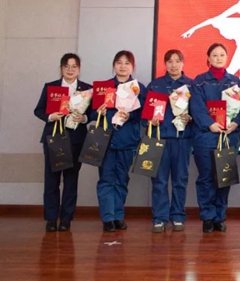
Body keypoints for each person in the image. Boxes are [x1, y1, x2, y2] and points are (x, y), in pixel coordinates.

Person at [189, 43, 240, 233]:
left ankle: (219, 217)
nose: (219, 58)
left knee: (224, 177)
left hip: (229, 137)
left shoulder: (235, 82)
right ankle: (207, 216)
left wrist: (236, 123)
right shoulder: (199, 82)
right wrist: (210, 124)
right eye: (215, 55)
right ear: (208, 58)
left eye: (222, 55)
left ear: (227, 58)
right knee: (206, 178)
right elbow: (196, 107)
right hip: (206, 137)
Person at [33, 53, 92, 232]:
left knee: (71, 180)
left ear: (79, 69)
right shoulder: (51, 87)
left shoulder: (87, 89)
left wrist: (84, 118)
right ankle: (51, 219)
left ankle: (66, 218)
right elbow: (38, 110)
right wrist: (51, 116)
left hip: (76, 140)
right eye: (66, 66)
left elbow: (94, 113)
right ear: (61, 68)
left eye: (74, 67)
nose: (70, 70)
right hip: (54, 138)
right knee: (51, 180)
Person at [92, 50, 147, 232]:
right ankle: (107, 218)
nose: (123, 66)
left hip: (127, 140)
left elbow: (144, 114)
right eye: (119, 62)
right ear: (114, 65)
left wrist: (130, 115)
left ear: (132, 66)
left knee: (122, 179)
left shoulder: (138, 88)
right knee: (106, 179)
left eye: (127, 63)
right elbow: (91, 113)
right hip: (105, 140)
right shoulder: (104, 87)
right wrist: (98, 112)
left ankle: (118, 216)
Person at [145, 49, 194, 233]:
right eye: (170, 61)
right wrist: (149, 120)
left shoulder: (191, 85)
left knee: (180, 180)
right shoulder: (155, 85)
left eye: (177, 61)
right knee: (159, 180)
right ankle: (159, 217)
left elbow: (198, 112)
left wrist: (190, 118)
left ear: (183, 63)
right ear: (165, 64)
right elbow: (144, 114)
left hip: (182, 139)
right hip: (160, 138)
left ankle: (178, 215)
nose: (174, 65)